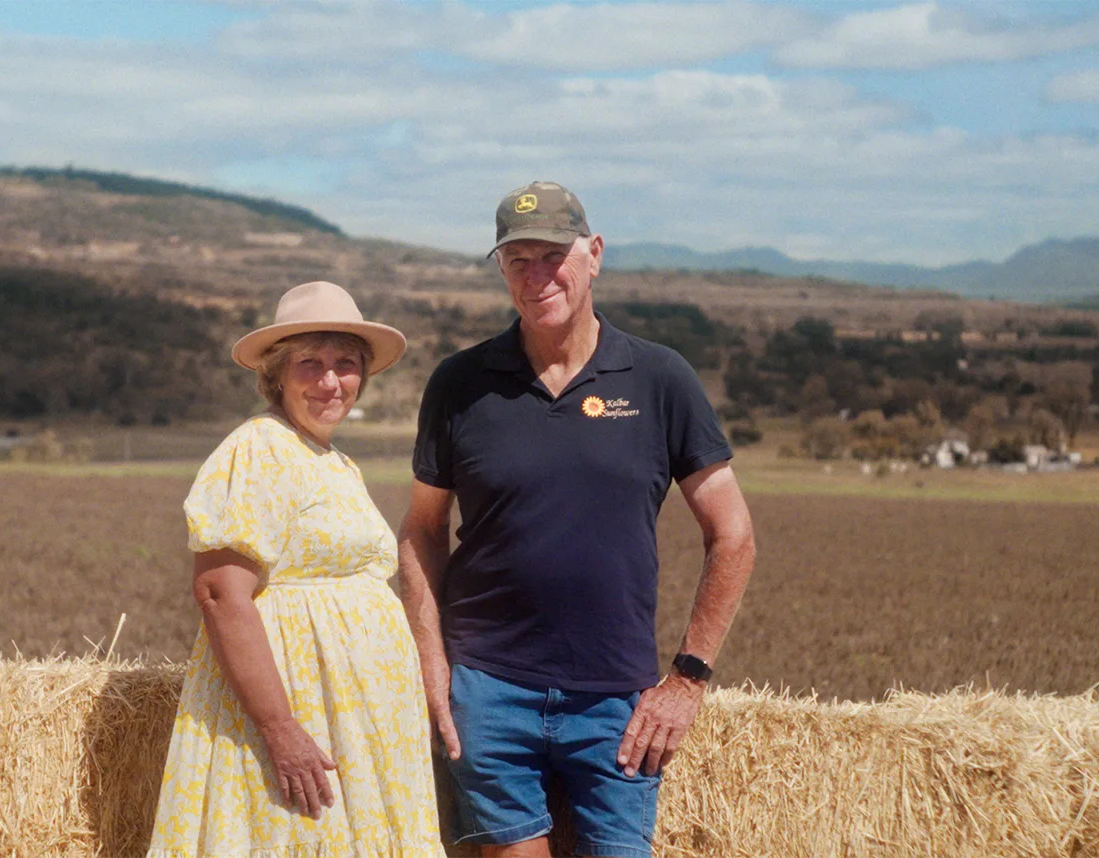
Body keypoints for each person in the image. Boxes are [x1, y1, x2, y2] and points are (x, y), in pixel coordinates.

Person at [397, 182, 757, 858]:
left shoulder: (660, 378)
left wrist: (685, 680)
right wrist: (434, 664)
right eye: (517, 261)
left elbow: (732, 533)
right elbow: (421, 530)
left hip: (615, 702)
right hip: (489, 694)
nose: (537, 277)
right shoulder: (459, 384)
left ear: (593, 255)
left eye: (553, 255)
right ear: (500, 270)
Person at [148, 281, 444, 857]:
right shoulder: (259, 447)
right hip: (303, 719)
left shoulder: (335, 461)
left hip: (355, 723)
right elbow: (219, 593)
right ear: (277, 375)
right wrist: (280, 728)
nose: (330, 381)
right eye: (310, 363)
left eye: (345, 364)